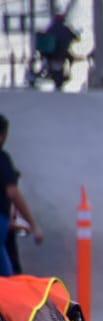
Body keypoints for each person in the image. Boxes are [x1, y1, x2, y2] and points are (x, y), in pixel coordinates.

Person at [0, 116, 44, 278]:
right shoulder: (2, 159)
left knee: (7, 273)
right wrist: (33, 224)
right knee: (8, 279)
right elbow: (13, 192)